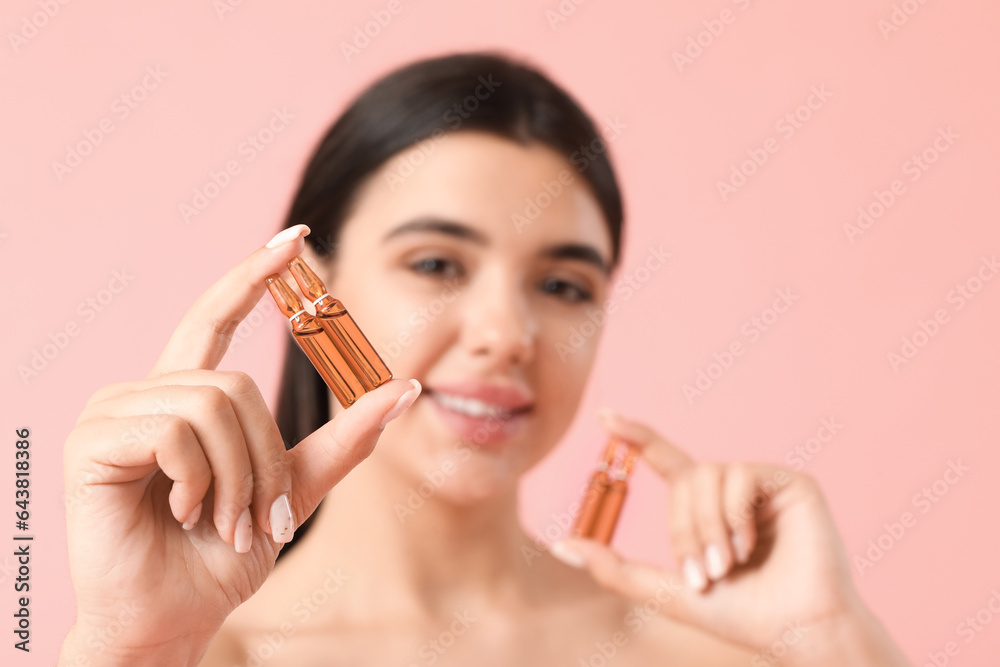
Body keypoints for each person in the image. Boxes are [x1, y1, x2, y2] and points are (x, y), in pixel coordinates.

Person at [59, 52, 911, 666]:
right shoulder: (197, 653)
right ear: (301, 285)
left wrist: (835, 639)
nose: (508, 332)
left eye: (565, 284)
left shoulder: (717, 652)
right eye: (436, 264)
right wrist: (129, 649)